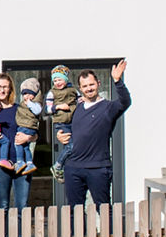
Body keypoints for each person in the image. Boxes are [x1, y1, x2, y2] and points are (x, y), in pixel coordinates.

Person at [61, 59, 130, 207]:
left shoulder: (108, 108)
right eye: (85, 86)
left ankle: (106, 226)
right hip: (73, 168)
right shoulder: (75, 108)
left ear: (98, 83)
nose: (89, 89)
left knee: (104, 209)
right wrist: (60, 135)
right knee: (74, 212)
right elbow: (64, 125)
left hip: (98, 168)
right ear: (80, 88)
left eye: (91, 84)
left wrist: (117, 81)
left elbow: (125, 102)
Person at [0, 73, 33, 210]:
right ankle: (4, 227)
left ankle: (20, 227)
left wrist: (28, 138)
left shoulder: (20, 109)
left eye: (5, 87)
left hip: (21, 163)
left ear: (10, 89)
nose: (2, 90)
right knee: (3, 206)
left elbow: (34, 132)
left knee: (22, 206)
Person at [46, 65, 79, 183]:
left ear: (65, 79)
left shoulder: (73, 90)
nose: (57, 83)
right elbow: (48, 109)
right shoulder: (52, 93)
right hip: (61, 122)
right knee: (71, 146)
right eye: (55, 80)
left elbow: (80, 100)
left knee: (72, 147)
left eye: (59, 79)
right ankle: (58, 165)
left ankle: (68, 169)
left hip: (73, 121)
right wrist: (59, 106)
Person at [13, 77, 43, 174]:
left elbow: (37, 110)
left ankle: (20, 161)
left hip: (27, 127)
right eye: (25, 94)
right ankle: (29, 163)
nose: (27, 96)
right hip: (25, 126)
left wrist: (29, 103)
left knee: (18, 143)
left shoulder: (33, 103)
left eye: (30, 94)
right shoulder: (23, 104)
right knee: (25, 146)